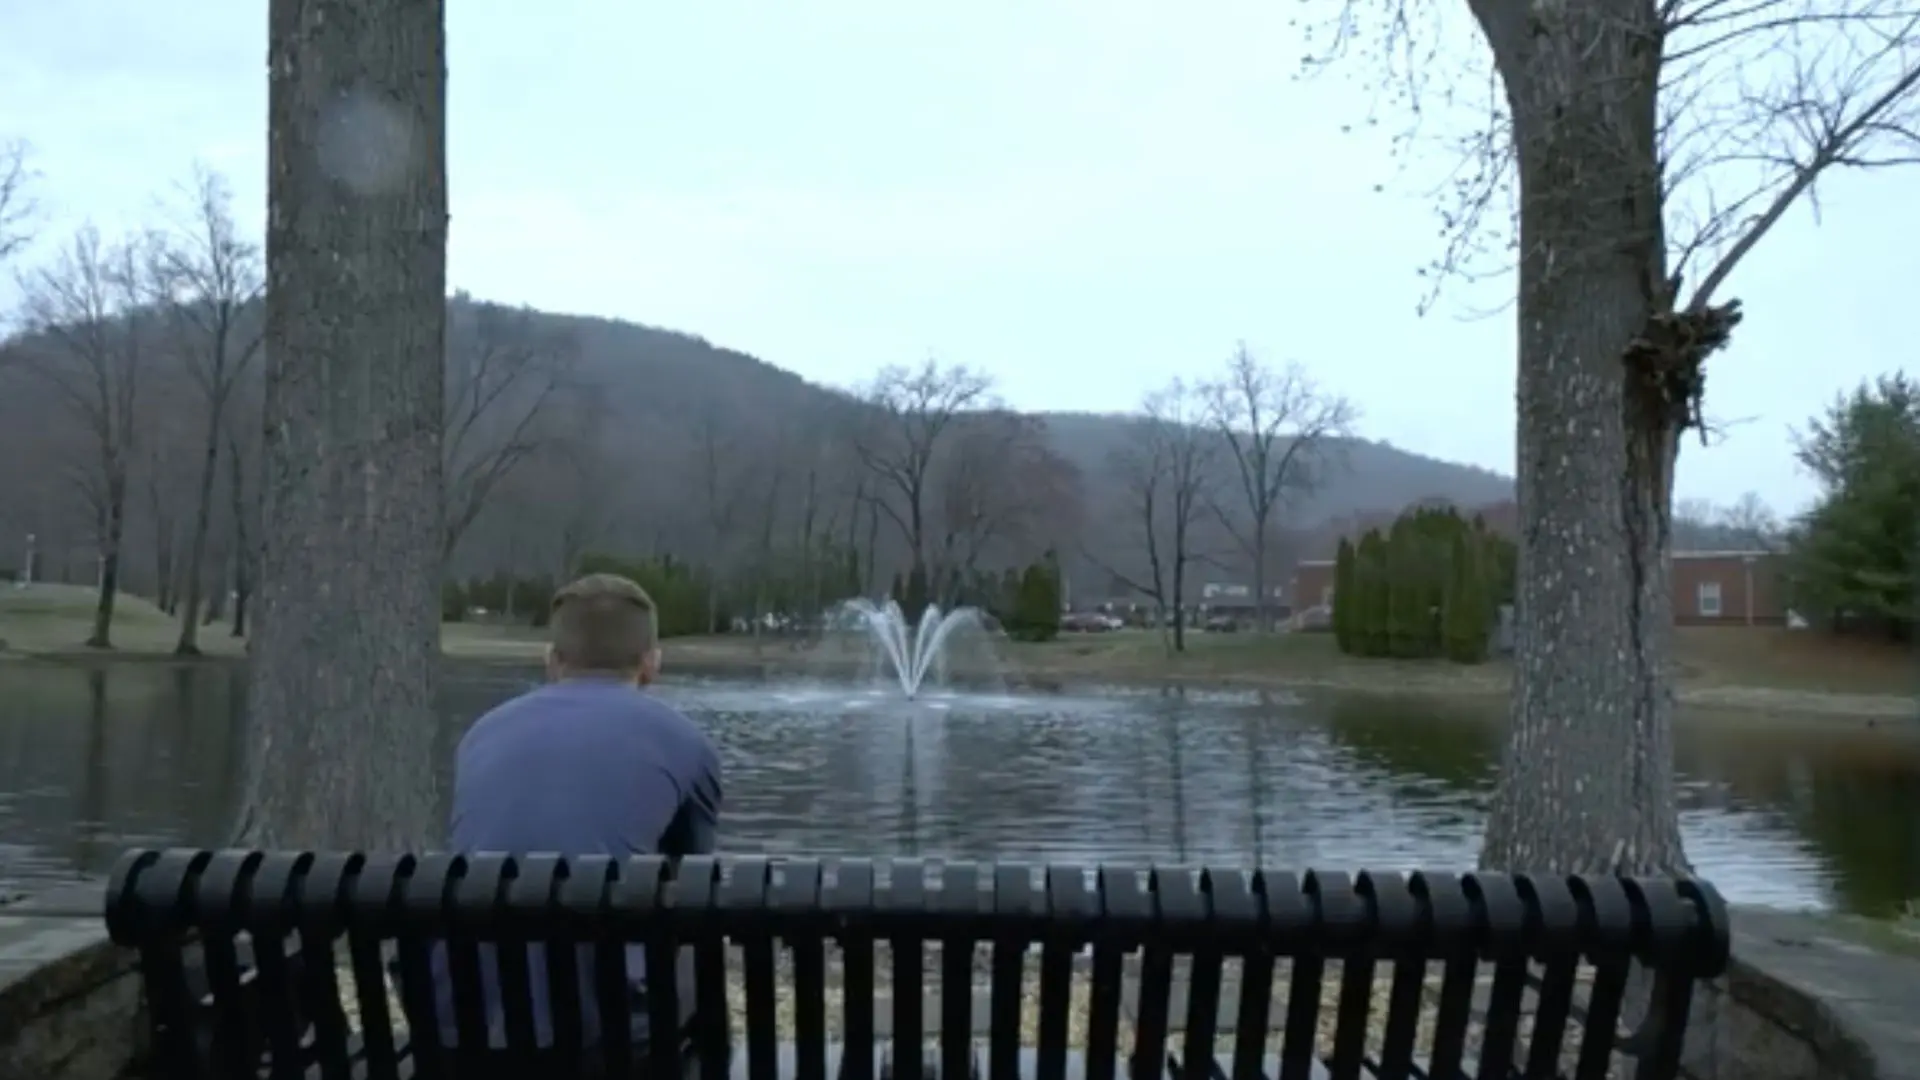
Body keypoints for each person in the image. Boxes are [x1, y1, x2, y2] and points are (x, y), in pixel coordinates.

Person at [430, 573, 724, 1069]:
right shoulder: (685, 742)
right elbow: (692, 880)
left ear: (552, 660)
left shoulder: (482, 733)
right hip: (603, 1030)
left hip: (463, 1014)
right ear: (652, 663)